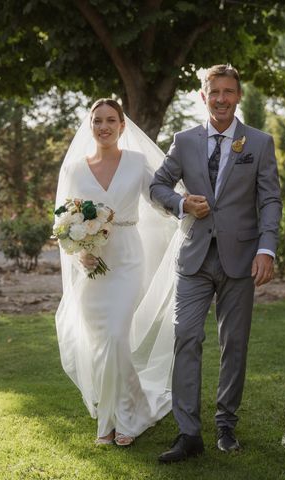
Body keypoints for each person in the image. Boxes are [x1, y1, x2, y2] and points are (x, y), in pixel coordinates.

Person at [150, 64, 282, 462]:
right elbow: (158, 185)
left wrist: (267, 248)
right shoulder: (184, 141)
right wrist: (180, 202)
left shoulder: (259, 143)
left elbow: (270, 199)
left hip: (241, 259)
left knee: (234, 344)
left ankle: (226, 424)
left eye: (228, 91)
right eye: (214, 91)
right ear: (203, 96)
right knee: (186, 337)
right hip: (193, 258)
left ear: (238, 96)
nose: (221, 98)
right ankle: (189, 433)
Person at [54, 99, 185, 446]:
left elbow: (159, 198)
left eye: (111, 120)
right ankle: (113, 418)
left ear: (122, 125)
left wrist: (185, 209)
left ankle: (127, 416)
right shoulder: (76, 170)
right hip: (91, 264)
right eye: (97, 121)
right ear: (90, 125)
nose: (104, 126)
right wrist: (79, 251)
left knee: (115, 336)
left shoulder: (137, 163)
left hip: (126, 259)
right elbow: (63, 221)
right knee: (101, 343)